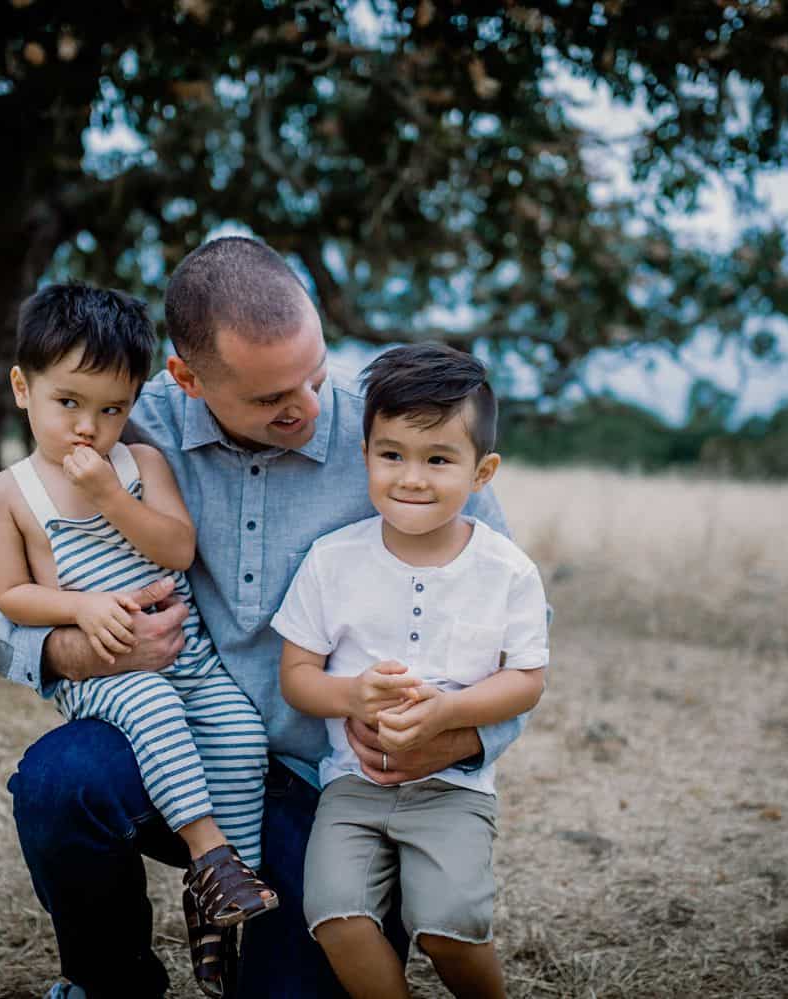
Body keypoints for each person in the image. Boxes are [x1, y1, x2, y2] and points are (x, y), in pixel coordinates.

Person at [0, 237, 528, 998]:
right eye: (269, 398)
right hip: (173, 739)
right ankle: (111, 983)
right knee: (62, 783)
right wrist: (69, 646)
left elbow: (515, 616)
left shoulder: (399, 443)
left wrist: (454, 736)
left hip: (324, 782)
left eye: (315, 375)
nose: (308, 407)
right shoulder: (127, 420)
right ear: (187, 379)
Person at [0, 282, 277, 996]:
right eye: (69, 404)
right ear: (24, 389)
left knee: (239, 735)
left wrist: (115, 497)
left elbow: (175, 548)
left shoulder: (141, 468)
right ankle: (208, 853)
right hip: (111, 677)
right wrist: (80, 610)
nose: (89, 427)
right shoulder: (11, 492)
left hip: (193, 660)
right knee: (152, 707)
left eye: (112, 409)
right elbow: (8, 593)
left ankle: (219, 907)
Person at [273, 344, 548, 999]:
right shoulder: (332, 560)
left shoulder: (507, 571)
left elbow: (527, 679)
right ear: (364, 453)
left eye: (439, 459)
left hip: (454, 787)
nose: (412, 478)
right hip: (350, 786)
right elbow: (296, 674)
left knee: (450, 922)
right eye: (391, 453)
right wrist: (351, 694)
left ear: (483, 472)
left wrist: (449, 712)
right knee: (334, 915)